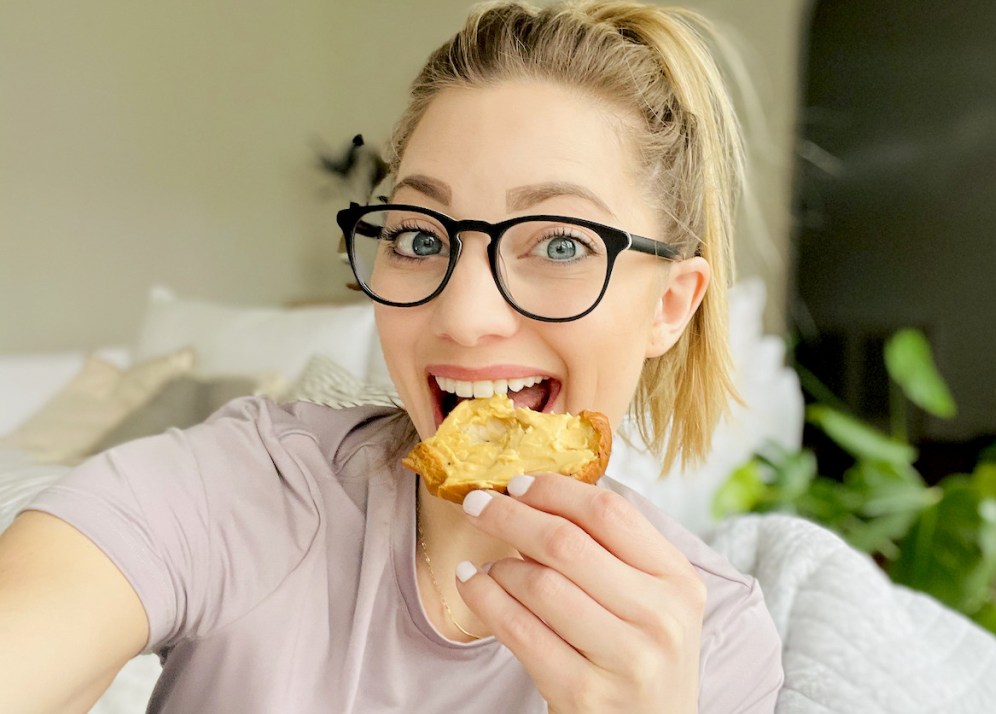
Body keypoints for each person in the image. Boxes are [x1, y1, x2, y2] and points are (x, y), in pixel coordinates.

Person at [0, 1, 783, 711]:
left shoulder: (711, 646)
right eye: (418, 237)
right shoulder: (248, 491)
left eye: (560, 243)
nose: (465, 316)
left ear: (670, 306)